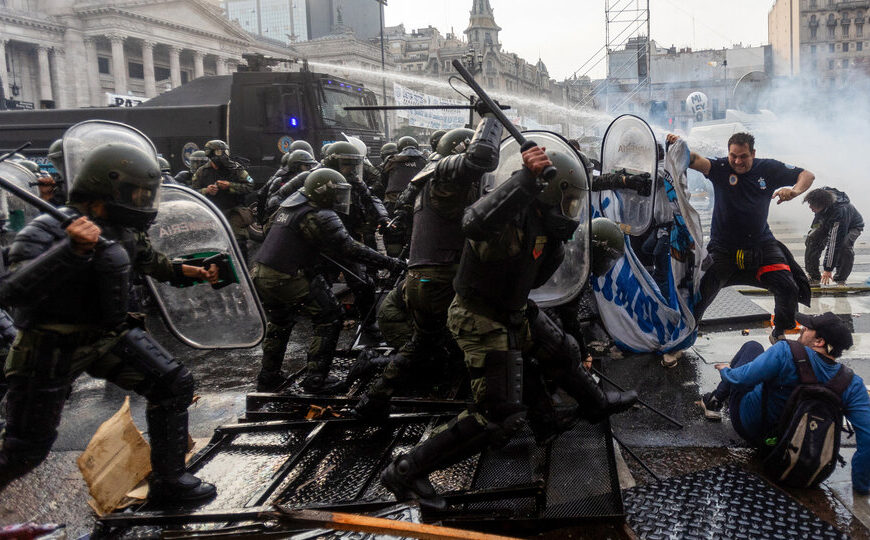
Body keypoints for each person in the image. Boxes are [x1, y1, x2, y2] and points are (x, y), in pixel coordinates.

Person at [378, 145, 637, 509]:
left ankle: (594, 405)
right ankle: (406, 471)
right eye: (569, 201)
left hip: (511, 307)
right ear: (546, 191)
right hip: (479, 315)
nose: (572, 211)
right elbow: (473, 221)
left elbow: (538, 277)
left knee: (562, 352)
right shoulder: (506, 217)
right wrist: (525, 180)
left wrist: (555, 243)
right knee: (500, 414)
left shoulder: (543, 227)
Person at [0, 142, 219, 503]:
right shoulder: (45, 230)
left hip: (107, 335)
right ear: (103, 191)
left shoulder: (123, 228)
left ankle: (169, 481)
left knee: (172, 384)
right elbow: (13, 291)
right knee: (25, 448)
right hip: (50, 345)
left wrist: (188, 271)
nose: (142, 201)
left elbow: (150, 261)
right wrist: (70, 250)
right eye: (135, 193)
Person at [352, 118, 500, 421]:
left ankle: (375, 397)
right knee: (482, 333)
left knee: (425, 343)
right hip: (439, 278)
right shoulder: (445, 185)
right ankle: (490, 409)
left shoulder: (426, 182)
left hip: (425, 277)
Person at [250, 168, 405, 393]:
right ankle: (316, 380)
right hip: (288, 276)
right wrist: (390, 263)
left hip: (263, 273)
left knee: (280, 322)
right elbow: (350, 247)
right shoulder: (319, 213)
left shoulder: (291, 206)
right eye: (338, 193)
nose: (340, 199)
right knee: (330, 316)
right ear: (324, 191)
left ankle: (268, 376)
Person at [699, 312, 870, 493]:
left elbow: (741, 379)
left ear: (819, 341)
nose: (802, 329)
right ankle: (715, 399)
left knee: (752, 347)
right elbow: (867, 436)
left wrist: (726, 371)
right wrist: (861, 485)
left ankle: (715, 401)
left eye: (807, 328)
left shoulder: (786, 351)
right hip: (803, 449)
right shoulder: (851, 383)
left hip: (752, 429)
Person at [670, 132, 815, 343]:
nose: (737, 161)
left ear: (753, 153)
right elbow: (694, 160)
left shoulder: (768, 168)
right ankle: (683, 336)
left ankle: (779, 332)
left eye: (743, 156)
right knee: (701, 293)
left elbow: (807, 175)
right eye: (733, 156)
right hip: (723, 248)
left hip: (761, 244)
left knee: (788, 286)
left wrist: (793, 191)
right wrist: (679, 146)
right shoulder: (720, 168)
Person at [191, 140, 254, 261]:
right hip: (211, 214)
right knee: (211, 246)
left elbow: (250, 185)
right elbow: (193, 194)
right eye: (220, 152)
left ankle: (243, 271)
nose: (223, 155)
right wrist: (206, 191)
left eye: (225, 152)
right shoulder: (202, 172)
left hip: (233, 211)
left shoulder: (235, 168)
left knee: (238, 244)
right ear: (211, 154)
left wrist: (230, 186)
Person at [803, 187, 864, 286]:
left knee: (844, 246)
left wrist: (828, 269)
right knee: (812, 239)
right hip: (830, 222)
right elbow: (817, 223)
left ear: (822, 204)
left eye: (812, 204)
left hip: (852, 226)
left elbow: (834, 242)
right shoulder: (821, 202)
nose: (810, 207)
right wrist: (813, 232)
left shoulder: (840, 211)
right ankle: (814, 276)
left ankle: (840, 279)